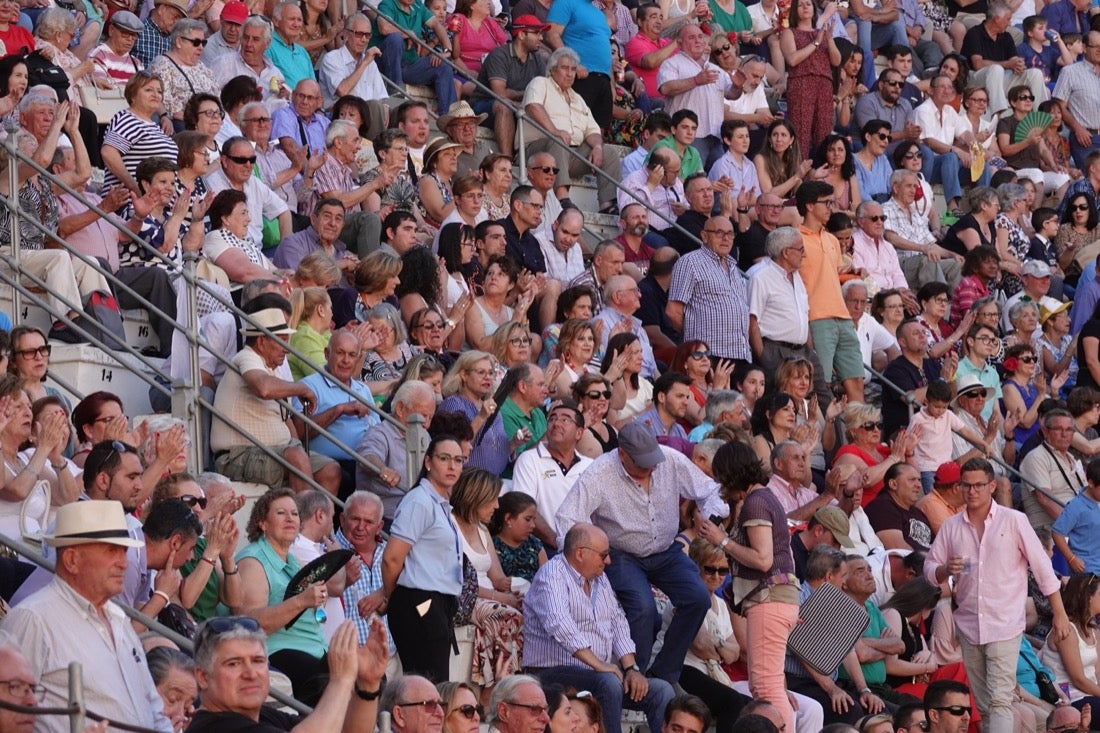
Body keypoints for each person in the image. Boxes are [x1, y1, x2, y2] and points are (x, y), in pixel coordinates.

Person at [555, 422, 723, 684]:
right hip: (622, 553)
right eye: (643, 464)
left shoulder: (669, 459)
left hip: (666, 549)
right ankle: (636, 676)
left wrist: (708, 517)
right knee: (643, 606)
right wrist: (578, 562)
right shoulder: (599, 473)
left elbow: (711, 489)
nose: (651, 468)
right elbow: (567, 518)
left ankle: (664, 675)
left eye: (652, 461)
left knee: (698, 597)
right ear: (622, 454)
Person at [0, 500, 172, 733]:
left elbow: (152, 705)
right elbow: (9, 719)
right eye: (111, 551)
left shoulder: (117, 616)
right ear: (72, 560)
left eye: (124, 551)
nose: (123, 563)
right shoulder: (34, 619)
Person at [926, 457, 1071, 730]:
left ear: (992, 485)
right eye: (966, 486)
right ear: (959, 487)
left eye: (979, 485)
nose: (972, 491)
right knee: (983, 704)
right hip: (969, 625)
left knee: (1001, 699)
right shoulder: (951, 526)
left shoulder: (1014, 520)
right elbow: (929, 568)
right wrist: (945, 569)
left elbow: (1042, 568)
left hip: (1005, 623)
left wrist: (1060, 614)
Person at [523, 523, 677, 733]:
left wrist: (631, 668)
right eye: (603, 555)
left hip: (596, 674)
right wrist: (600, 666)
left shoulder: (600, 578)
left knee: (661, 690)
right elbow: (561, 626)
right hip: (551, 673)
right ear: (580, 554)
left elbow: (617, 622)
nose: (609, 560)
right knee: (609, 682)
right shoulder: (551, 575)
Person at [211, 303, 340, 494]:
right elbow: (263, 388)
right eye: (281, 341)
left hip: (274, 453)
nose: (286, 349)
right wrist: (301, 389)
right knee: (295, 457)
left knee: (330, 470)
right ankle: (307, 519)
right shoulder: (246, 357)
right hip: (236, 456)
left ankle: (321, 522)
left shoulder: (273, 369)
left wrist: (297, 448)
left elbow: (285, 419)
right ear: (262, 341)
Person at [185, 612, 387, 733]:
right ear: (203, 677)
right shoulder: (214, 727)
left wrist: (368, 684)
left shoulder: (263, 716)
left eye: (257, 661)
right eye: (233, 664)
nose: (251, 673)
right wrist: (342, 680)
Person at [375, 435, 465, 681]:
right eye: (444, 458)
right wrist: (393, 596)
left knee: (432, 685)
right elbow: (391, 558)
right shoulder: (419, 501)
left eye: (458, 460)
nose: (452, 466)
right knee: (427, 687)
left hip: (436, 602)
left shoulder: (439, 502)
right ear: (428, 462)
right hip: (419, 600)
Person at [520, 47, 625, 215]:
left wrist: (597, 147)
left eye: (573, 69)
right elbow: (533, 106)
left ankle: (608, 203)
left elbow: (593, 130)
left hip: (569, 154)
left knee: (608, 152)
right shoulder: (541, 83)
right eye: (565, 68)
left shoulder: (578, 98)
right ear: (552, 69)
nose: (570, 74)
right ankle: (563, 198)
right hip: (537, 151)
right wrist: (555, 131)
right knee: (558, 141)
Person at [666, 216, 750, 363]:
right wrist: (695, 336)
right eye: (719, 233)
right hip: (708, 355)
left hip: (739, 354)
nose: (726, 238)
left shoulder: (733, 267)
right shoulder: (690, 262)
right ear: (704, 236)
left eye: (730, 234)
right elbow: (673, 311)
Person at [511, 401, 594, 549]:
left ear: (579, 433)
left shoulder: (590, 466)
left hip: (587, 549)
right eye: (552, 419)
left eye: (565, 420)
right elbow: (524, 508)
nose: (556, 424)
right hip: (545, 547)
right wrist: (558, 542)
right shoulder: (529, 460)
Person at [1052, 29, 1100, 168]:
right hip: (1086, 137)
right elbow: (1059, 105)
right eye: (1095, 47)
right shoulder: (1070, 72)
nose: (1099, 50)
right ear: (1084, 48)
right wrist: (1077, 128)